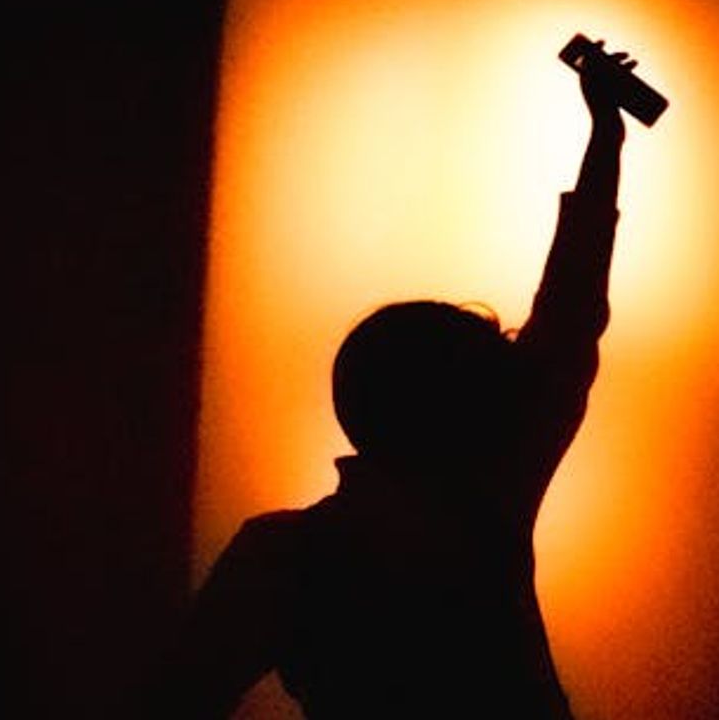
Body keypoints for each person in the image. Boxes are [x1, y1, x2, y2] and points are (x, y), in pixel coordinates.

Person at [142, 42, 639, 718]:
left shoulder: (284, 556)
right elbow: (570, 317)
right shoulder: (487, 503)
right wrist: (605, 139)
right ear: (466, 406)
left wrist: (605, 141)